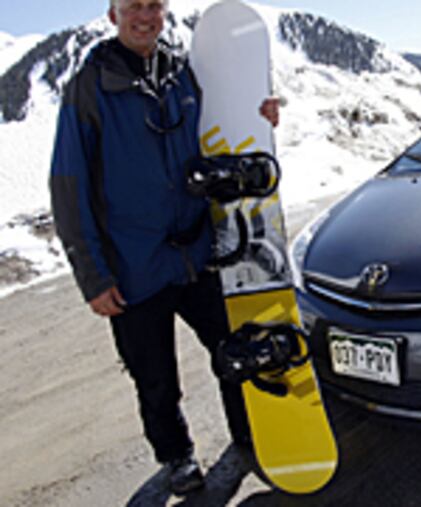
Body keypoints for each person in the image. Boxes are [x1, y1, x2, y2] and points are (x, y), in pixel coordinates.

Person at [49, 0, 279, 496]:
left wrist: (260, 113)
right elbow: (68, 187)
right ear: (113, 15)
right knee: (154, 379)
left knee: (233, 353)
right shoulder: (89, 87)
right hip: (132, 268)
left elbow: (227, 130)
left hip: (198, 255)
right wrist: (94, 276)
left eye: (154, 5)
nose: (144, 15)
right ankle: (177, 456)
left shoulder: (183, 74)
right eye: (133, 6)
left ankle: (248, 436)